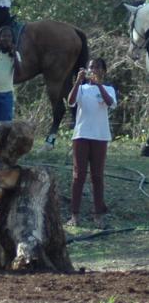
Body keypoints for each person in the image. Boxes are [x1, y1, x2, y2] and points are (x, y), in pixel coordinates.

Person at [66, 58, 117, 229]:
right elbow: (70, 101)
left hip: (100, 136)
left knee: (97, 176)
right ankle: (74, 215)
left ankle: (98, 215)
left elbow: (110, 103)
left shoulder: (108, 89)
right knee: (78, 175)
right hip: (81, 135)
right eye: (91, 67)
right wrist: (77, 81)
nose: (93, 70)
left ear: (103, 71)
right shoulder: (81, 88)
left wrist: (99, 85)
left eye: (97, 67)